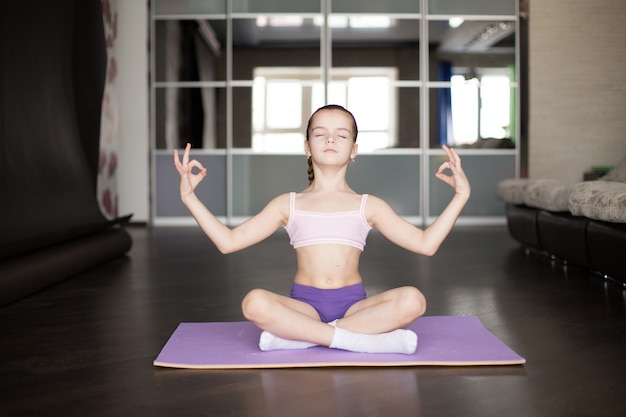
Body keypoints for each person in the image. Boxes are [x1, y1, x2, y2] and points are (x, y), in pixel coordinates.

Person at [174, 104, 470, 355]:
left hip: (355, 307)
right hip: (304, 306)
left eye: (341, 135)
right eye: (320, 134)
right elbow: (228, 241)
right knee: (254, 303)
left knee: (413, 300)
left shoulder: (369, 205)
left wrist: (461, 196)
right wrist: (189, 198)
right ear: (307, 147)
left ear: (353, 150)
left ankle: (300, 337)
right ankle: (356, 340)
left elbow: (425, 244)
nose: (330, 139)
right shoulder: (287, 204)